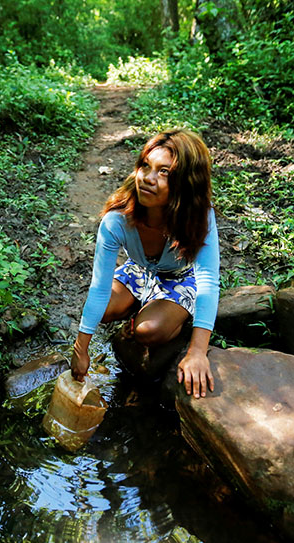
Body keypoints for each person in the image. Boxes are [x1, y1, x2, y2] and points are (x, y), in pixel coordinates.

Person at [70, 129, 220, 399]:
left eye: (164, 172)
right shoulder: (117, 220)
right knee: (101, 311)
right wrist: (81, 349)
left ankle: (171, 314)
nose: (148, 179)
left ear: (186, 182)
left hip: (181, 277)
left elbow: (208, 280)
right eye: (145, 167)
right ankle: (145, 305)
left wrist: (197, 351)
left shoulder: (199, 216)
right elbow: (99, 286)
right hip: (139, 270)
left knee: (147, 331)